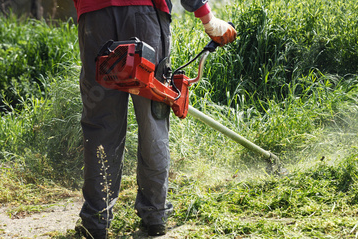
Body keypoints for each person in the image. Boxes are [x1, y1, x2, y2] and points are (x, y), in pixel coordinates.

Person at [71, 0, 236, 238]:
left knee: (101, 124)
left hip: (95, 18)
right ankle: (155, 214)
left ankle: (95, 221)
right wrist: (206, 17)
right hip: (144, 15)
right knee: (153, 118)